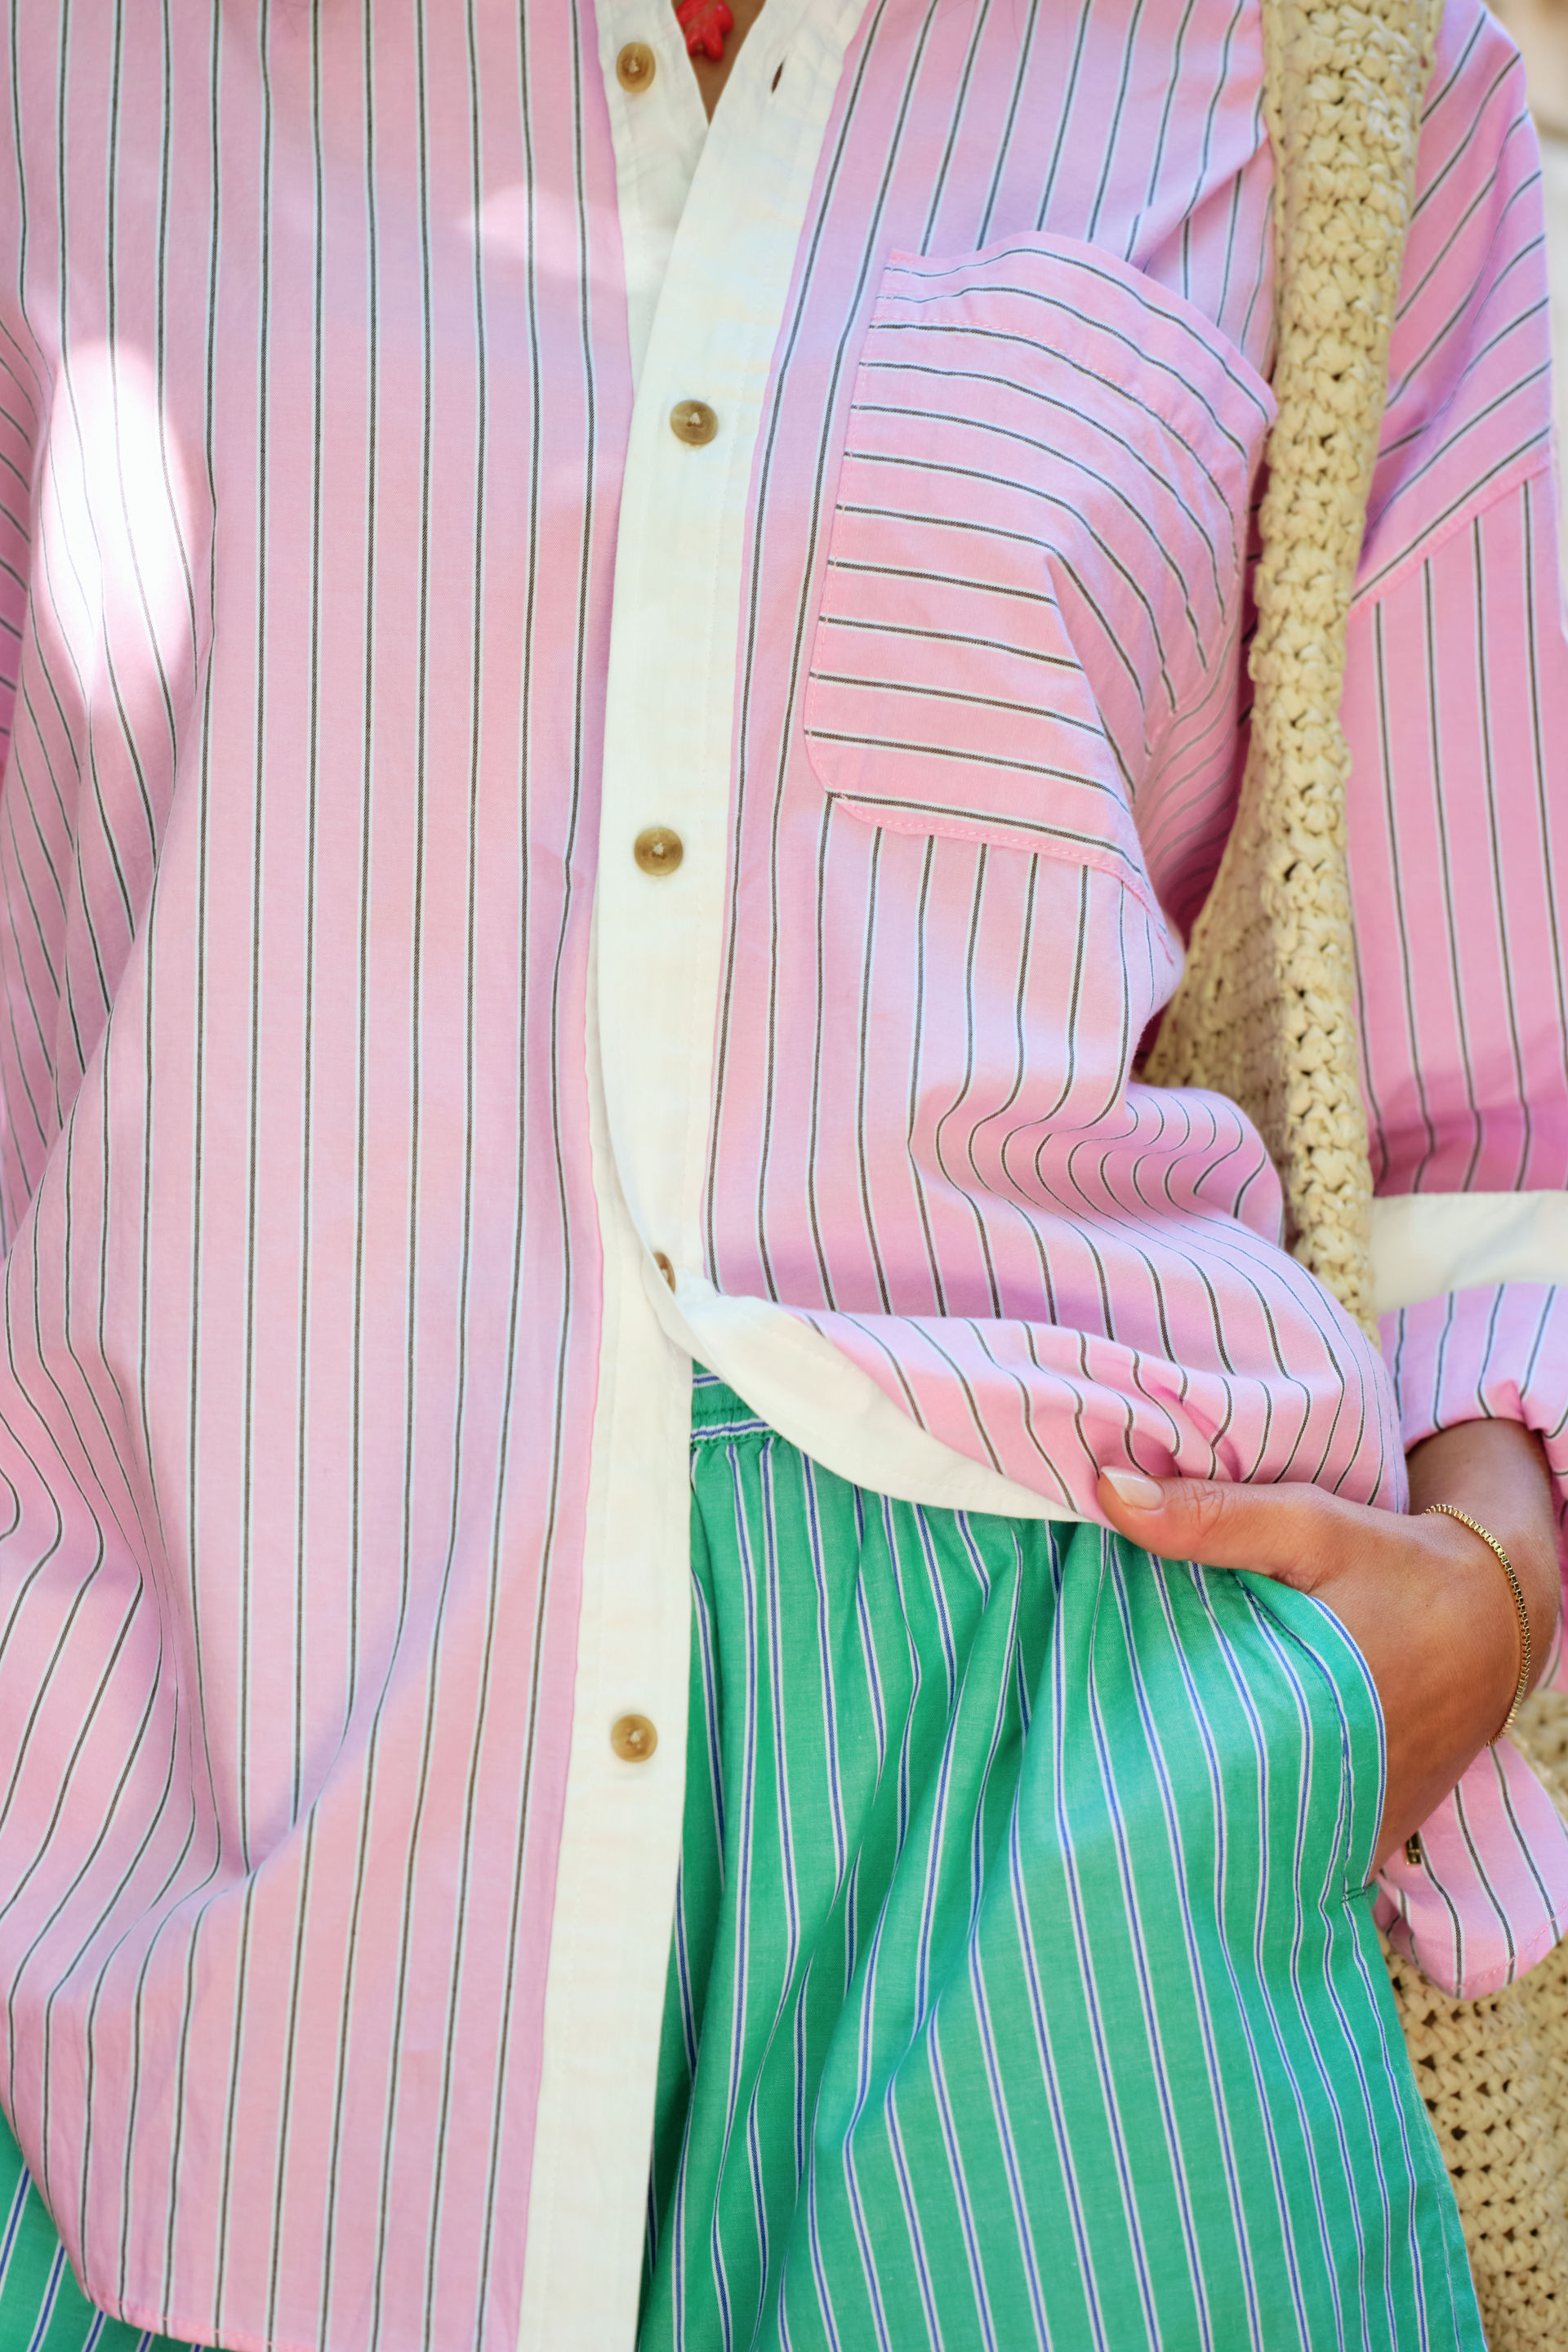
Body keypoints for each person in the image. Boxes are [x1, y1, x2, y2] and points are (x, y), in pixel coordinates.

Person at [0, 1, 1565, 2346]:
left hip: (1091, 1806)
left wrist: (1480, 1589)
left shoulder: (1315, 69)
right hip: (200, 1844)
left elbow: (1493, 1074)